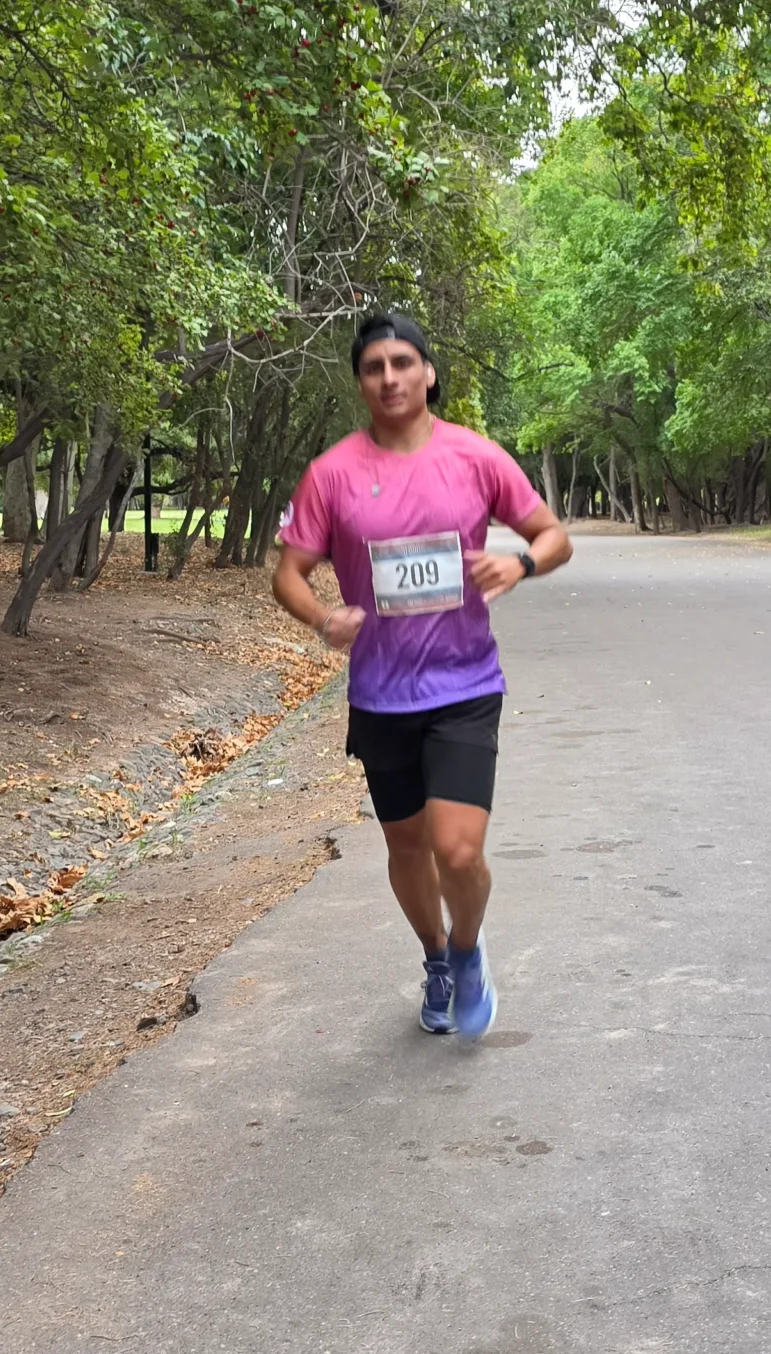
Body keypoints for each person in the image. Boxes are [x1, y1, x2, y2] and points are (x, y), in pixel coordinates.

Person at [272, 312, 572, 1038]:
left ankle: (467, 951)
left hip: (465, 684)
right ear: (360, 382)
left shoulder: (475, 457)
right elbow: (288, 573)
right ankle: (436, 956)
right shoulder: (332, 473)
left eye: (403, 362)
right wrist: (323, 618)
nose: (390, 377)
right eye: (373, 367)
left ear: (429, 372)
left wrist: (520, 562)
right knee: (407, 847)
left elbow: (554, 536)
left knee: (458, 850)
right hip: (381, 695)